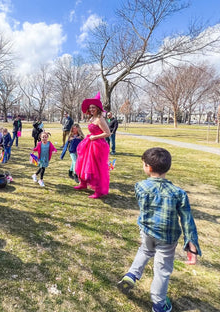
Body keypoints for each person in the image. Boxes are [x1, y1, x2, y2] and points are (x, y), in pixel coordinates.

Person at [117, 147, 201, 312]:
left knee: (145, 250)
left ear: (148, 167)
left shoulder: (140, 186)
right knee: (162, 269)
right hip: (168, 237)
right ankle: (159, 304)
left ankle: (132, 275)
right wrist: (191, 242)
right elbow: (187, 219)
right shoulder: (179, 193)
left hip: (147, 231)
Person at [74, 92, 111, 199]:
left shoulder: (100, 119)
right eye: (90, 108)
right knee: (83, 163)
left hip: (98, 145)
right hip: (90, 143)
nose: (91, 109)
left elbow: (108, 133)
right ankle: (83, 183)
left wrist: (94, 137)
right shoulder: (92, 118)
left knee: (96, 167)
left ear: (98, 108)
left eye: (93, 107)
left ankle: (98, 191)